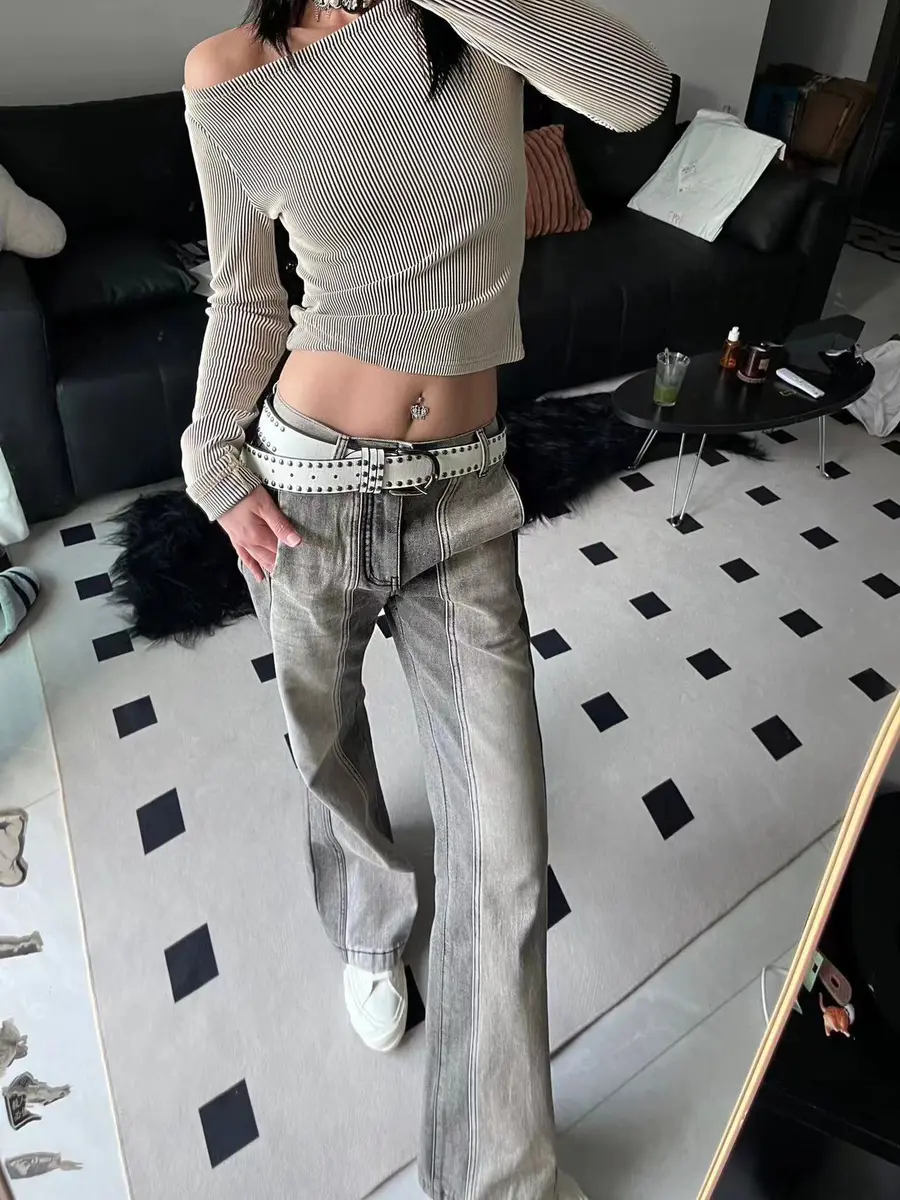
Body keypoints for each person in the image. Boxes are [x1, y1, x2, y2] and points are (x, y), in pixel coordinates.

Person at [182, 0, 670, 1194]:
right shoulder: (230, 72)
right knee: (326, 743)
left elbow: (639, 97)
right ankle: (369, 925)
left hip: (466, 496)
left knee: (506, 850)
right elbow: (248, 300)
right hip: (306, 487)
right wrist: (209, 452)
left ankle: (499, 1179)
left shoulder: (473, 24)